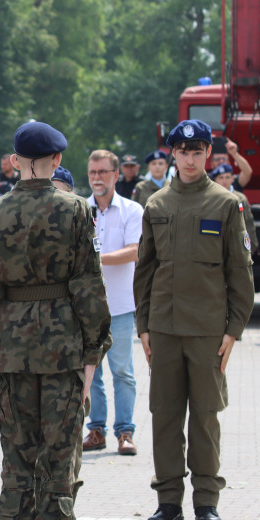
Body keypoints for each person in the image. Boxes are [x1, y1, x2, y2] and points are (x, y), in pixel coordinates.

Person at [0, 121, 110, 520]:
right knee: (60, 452)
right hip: (62, 345)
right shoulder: (74, 210)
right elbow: (88, 286)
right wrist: (94, 350)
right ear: (54, 162)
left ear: (15, 162)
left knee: (17, 454)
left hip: (13, 345)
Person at [135, 119, 254, 520]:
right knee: (165, 416)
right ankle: (168, 502)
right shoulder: (157, 205)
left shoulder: (226, 203)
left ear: (208, 154)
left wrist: (233, 329)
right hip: (164, 328)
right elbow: (145, 270)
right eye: (183, 151)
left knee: (204, 416)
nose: (189, 158)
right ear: (173, 153)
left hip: (207, 330)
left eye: (197, 150)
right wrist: (143, 327)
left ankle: (206, 501)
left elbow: (240, 272)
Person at [82, 150, 143, 456]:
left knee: (122, 372)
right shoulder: (80, 209)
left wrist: (94, 259)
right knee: (91, 372)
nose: (97, 178)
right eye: (93, 172)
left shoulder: (132, 210)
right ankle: (96, 429)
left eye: (103, 172)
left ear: (116, 175)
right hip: (87, 307)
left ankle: (125, 432)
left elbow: (134, 251)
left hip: (119, 305)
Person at [210, 164, 258, 255]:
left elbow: (248, 223)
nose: (224, 181)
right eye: (221, 177)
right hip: (216, 246)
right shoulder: (211, 199)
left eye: (227, 177)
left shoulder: (240, 199)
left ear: (232, 179)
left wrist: (252, 245)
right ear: (215, 180)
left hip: (237, 245)